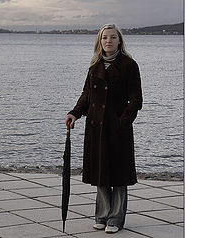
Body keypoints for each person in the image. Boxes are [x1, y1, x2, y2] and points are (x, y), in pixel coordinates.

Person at [65, 23, 143, 234]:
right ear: (99, 41)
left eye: (112, 37)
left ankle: (116, 219)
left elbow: (136, 99)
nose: (108, 41)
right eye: (104, 38)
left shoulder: (129, 65)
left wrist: (124, 121)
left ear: (119, 40)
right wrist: (74, 113)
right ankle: (101, 215)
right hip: (97, 128)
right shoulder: (94, 67)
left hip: (118, 128)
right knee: (101, 172)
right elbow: (86, 96)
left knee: (118, 174)